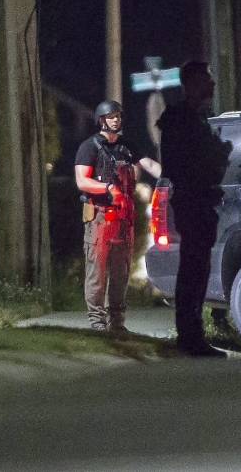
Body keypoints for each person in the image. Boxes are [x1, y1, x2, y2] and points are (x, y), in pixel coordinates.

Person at [156, 61, 233, 356]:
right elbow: (180, 165)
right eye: (207, 80)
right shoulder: (179, 120)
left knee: (199, 270)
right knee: (192, 270)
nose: (212, 85)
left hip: (202, 201)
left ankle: (193, 335)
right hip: (192, 201)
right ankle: (190, 336)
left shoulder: (199, 119)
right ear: (191, 83)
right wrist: (214, 157)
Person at [74, 100, 161, 332]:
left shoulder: (126, 147)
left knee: (121, 273)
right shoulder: (89, 147)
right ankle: (97, 322)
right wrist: (105, 189)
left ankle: (117, 323)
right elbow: (81, 180)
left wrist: (170, 175)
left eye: (118, 116)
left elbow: (148, 164)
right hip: (99, 219)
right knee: (97, 272)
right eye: (111, 116)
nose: (115, 120)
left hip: (123, 220)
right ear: (101, 120)